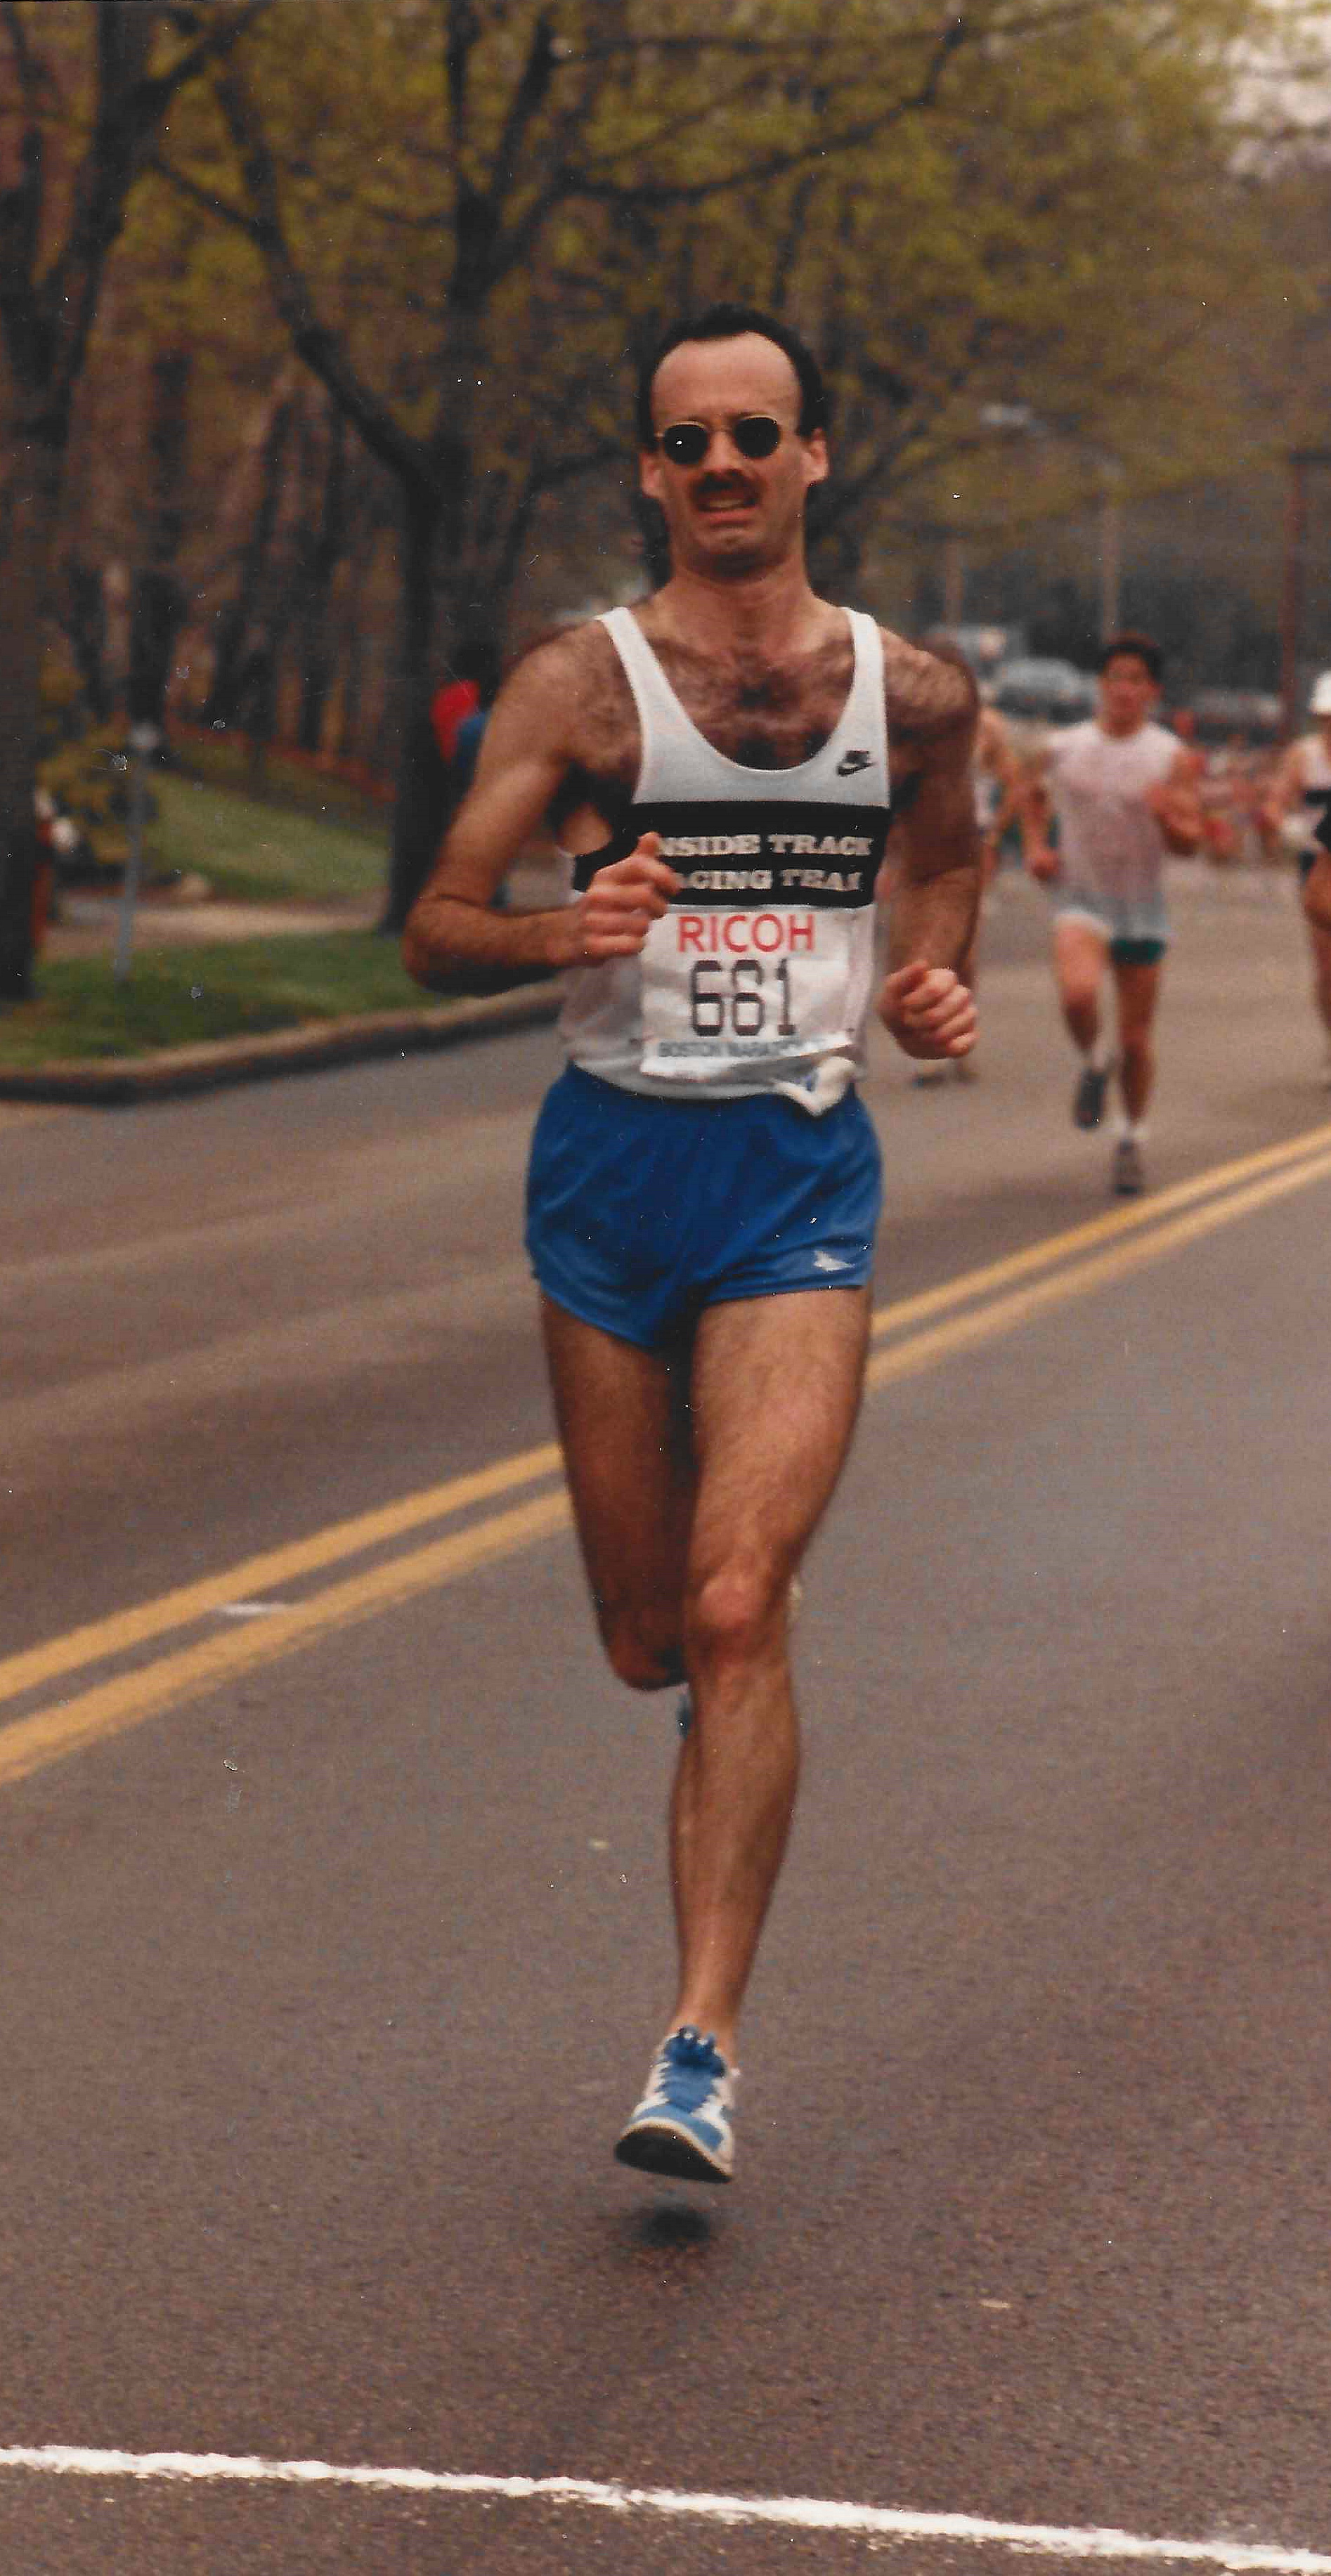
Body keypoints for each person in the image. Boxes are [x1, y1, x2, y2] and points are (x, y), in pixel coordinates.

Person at [403, 302, 979, 2184]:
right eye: (685, 441)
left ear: (810, 456)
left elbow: (947, 856)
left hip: (794, 1171)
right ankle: (708, 1718)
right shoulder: (577, 689)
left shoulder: (912, 694)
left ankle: (699, 2044)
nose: (720, 463)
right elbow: (434, 925)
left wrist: (929, 976)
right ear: (651, 474)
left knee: (737, 1604)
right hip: (607, 1172)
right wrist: (555, 932)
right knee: (648, 1631)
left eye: (752, 433)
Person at [1022, 630, 1202, 1197]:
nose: (1125, 689)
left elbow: (1190, 841)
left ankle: (1131, 1138)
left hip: (1141, 908)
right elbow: (1028, 793)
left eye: (1137, 680)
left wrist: (1169, 819)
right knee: (1078, 996)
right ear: (1101, 685)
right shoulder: (1064, 747)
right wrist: (1037, 847)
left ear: (1153, 691)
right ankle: (1094, 1061)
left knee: (1137, 1039)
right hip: (1080, 898)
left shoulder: (1170, 757)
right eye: (1116, 677)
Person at [1258, 672, 1331, 1083]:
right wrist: (1281, 823)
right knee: (1327, 966)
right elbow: (1277, 802)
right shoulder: (1303, 757)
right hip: (1318, 865)